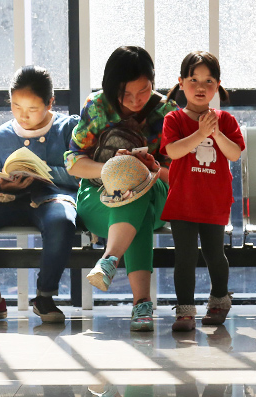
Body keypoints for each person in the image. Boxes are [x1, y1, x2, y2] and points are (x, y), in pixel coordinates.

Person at [0, 66, 80, 323]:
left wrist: (44, 172)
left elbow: (79, 175)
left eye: (32, 108)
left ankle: (44, 297)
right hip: (7, 199)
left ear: (50, 103)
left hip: (53, 197)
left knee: (61, 221)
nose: (23, 115)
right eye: (16, 106)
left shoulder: (68, 127)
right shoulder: (0, 135)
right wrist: (4, 185)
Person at [65, 46, 178, 332]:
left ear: (153, 81)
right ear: (111, 87)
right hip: (97, 196)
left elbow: (180, 175)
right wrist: (112, 169)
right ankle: (142, 304)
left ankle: (108, 260)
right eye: (126, 94)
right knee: (133, 196)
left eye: (143, 90)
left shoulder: (167, 112)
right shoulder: (97, 106)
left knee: (138, 186)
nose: (136, 100)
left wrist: (151, 168)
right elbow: (73, 162)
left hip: (157, 192)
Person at [161, 52, 244, 331]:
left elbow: (234, 154)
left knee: (214, 254)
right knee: (184, 257)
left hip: (214, 201)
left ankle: (219, 301)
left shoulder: (226, 120)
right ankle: (185, 311)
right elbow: (173, 151)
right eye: (193, 80)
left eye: (208, 81)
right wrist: (199, 133)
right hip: (182, 201)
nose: (200, 87)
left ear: (217, 85)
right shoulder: (173, 119)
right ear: (181, 83)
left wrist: (215, 132)